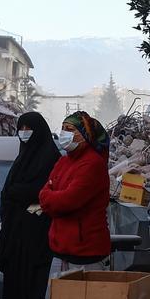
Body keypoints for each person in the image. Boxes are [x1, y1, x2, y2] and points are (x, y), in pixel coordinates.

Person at [0, 112, 59, 299]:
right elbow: (10, 194)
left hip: (37, 239)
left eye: (28, 127)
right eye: (20, 127)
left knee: (35, 293)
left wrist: (19, 193)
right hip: (15, 237)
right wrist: (20, 195)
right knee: (16, 291)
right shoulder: (21, 159)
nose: (24, 132)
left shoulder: (50, 158)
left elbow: (43, 191)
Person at [39, 111, 111, 275]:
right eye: (63, 128)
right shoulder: (64, 161)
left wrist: (51, 198)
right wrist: (51, 197)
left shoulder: (93, 163)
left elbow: (68, 200)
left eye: (70, 129)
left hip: (86, 253)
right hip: (60, 249)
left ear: (84, 134)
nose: (64, 133)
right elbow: (43, 193)